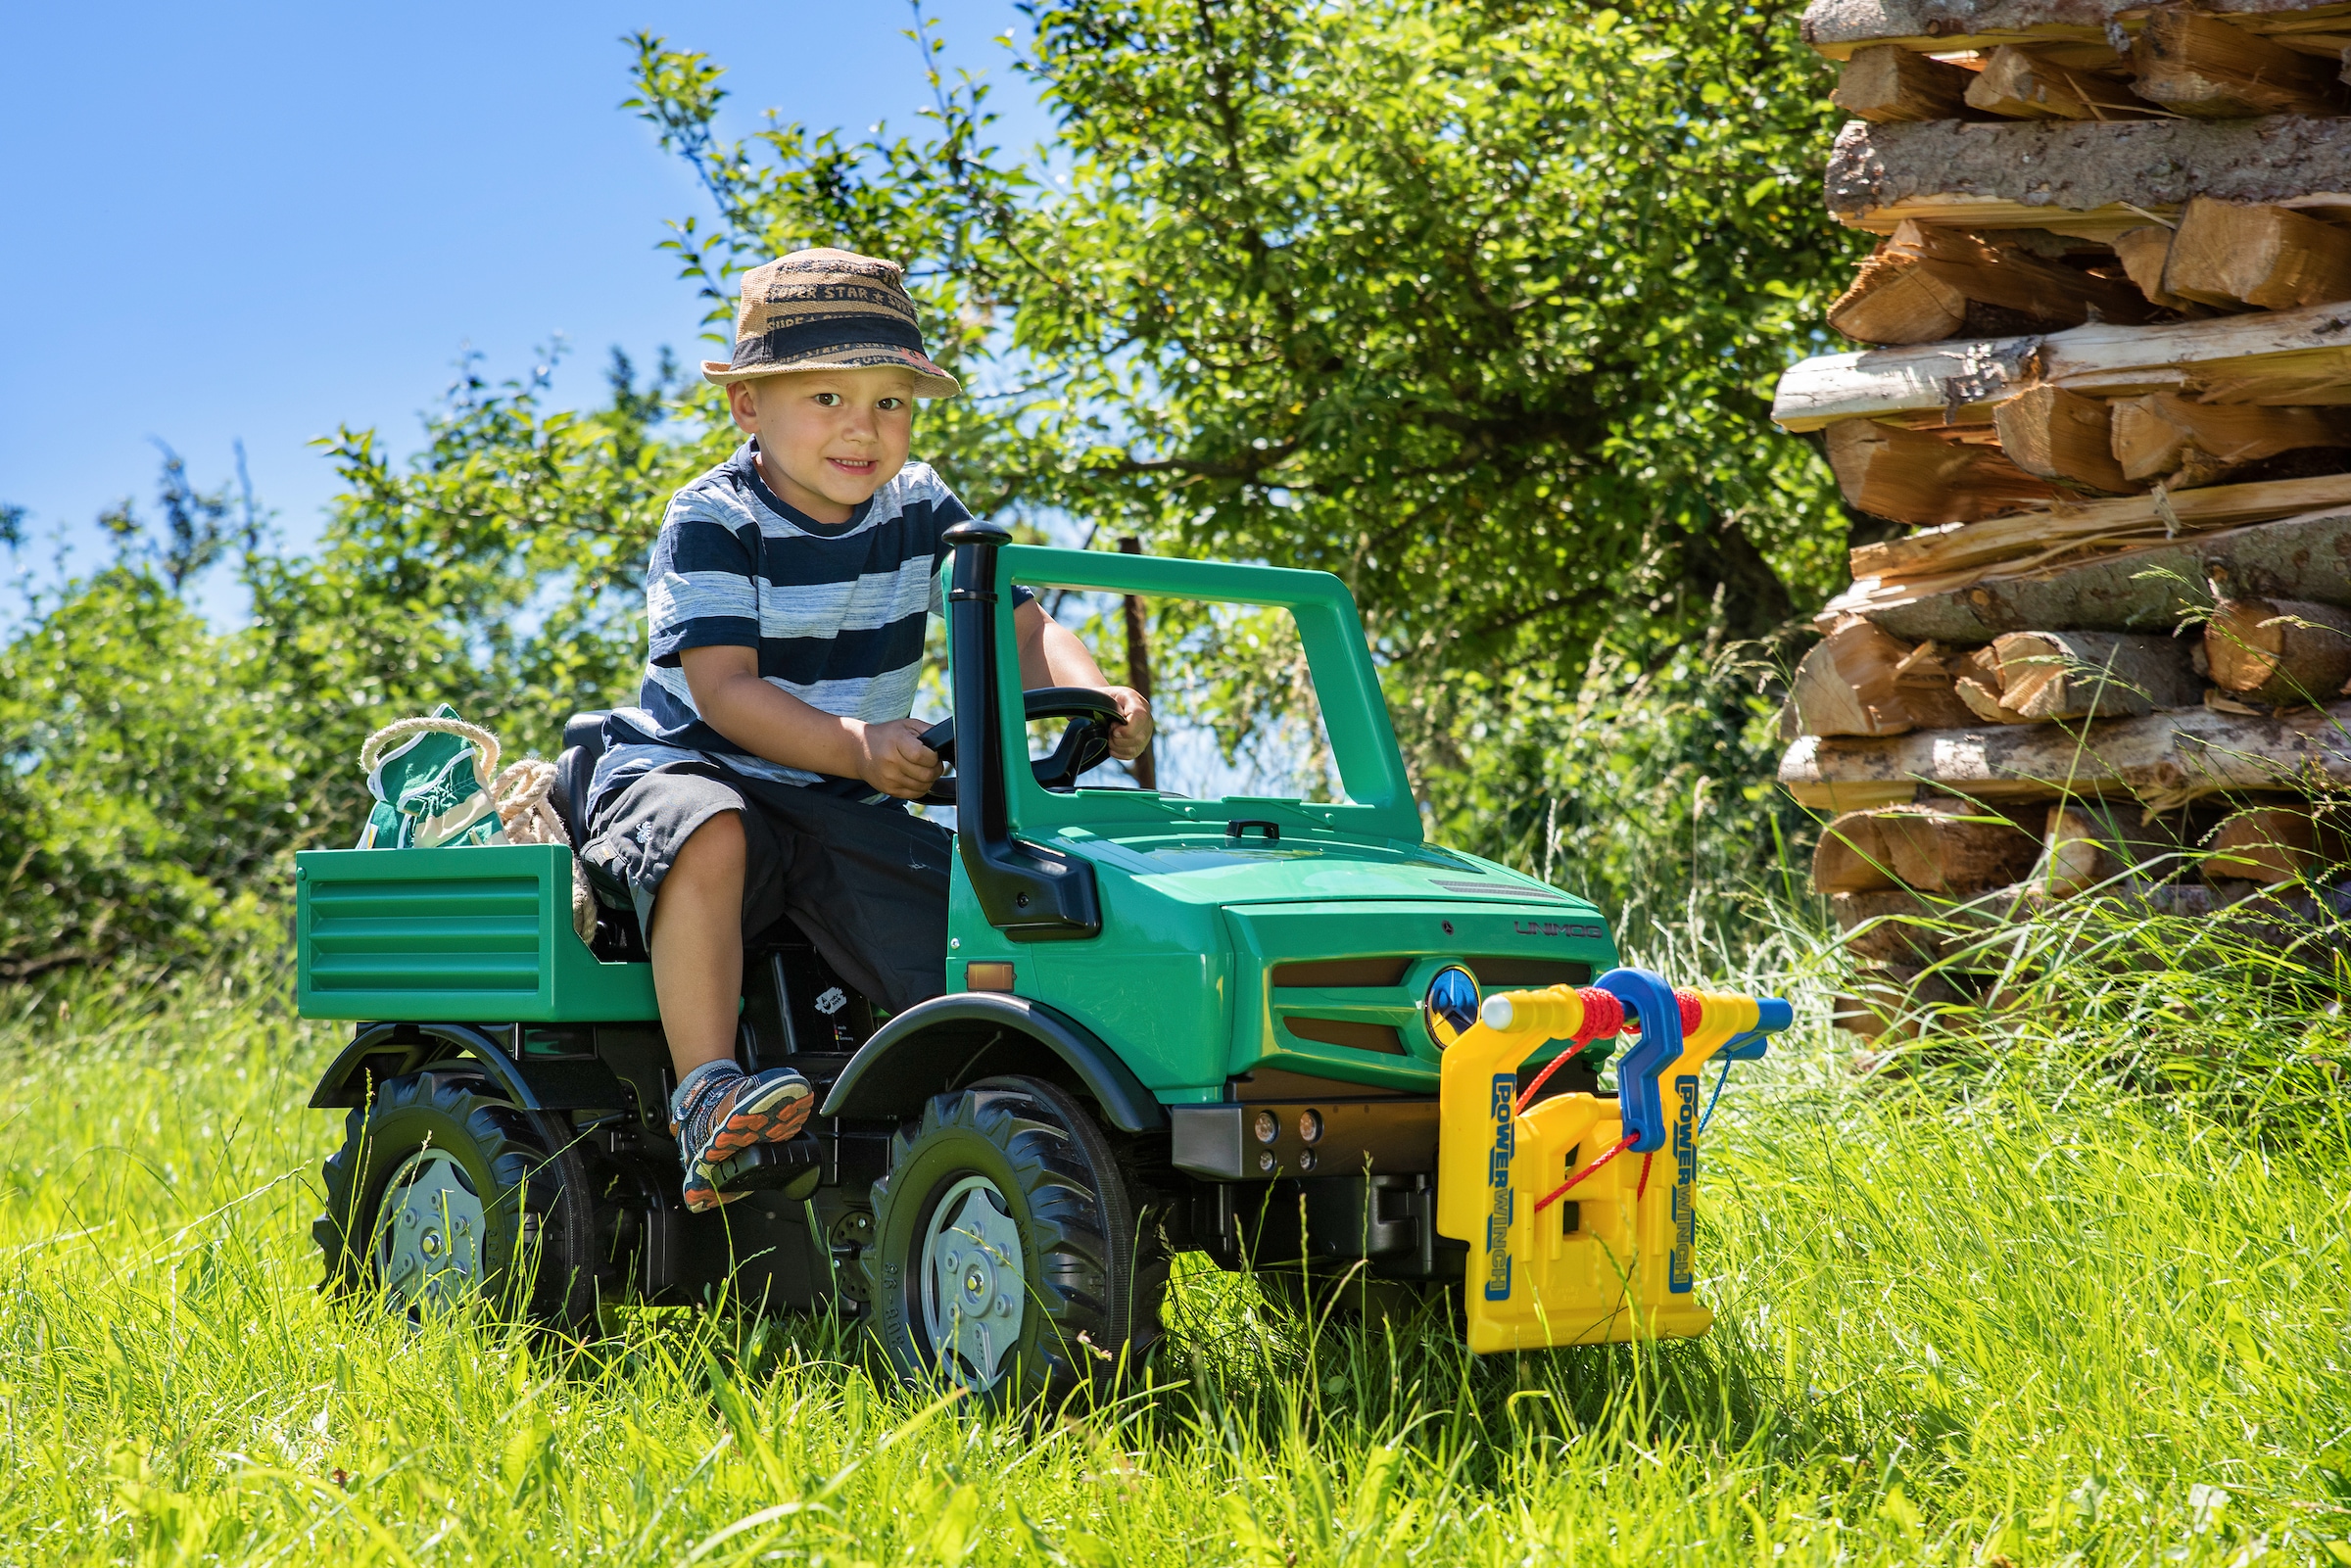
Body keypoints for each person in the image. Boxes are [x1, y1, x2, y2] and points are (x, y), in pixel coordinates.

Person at [582, 248, 1151, 1212]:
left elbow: (1022, 625)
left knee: (972, 908)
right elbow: (723, 690)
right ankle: (706, 1093)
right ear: (748, 408)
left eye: (891, 401)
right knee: (712, 829)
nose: (865, 427)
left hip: (846, 790)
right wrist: (855, 744)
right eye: (830, 397)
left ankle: (961, 1125)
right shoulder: (713, 519)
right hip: (693, 762)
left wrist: (1101, 695)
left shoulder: (921, 505)